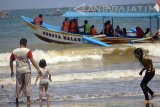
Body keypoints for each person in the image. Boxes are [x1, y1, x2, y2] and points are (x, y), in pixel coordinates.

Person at [10, 38, 41, 104]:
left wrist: (12, 70)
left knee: (18, 85)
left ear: (20, 43)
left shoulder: (14, 51)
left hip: (18, 70)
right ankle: (28, 100)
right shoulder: (28, 51)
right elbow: (32, 60)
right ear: (25, 43)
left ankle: (17, 100)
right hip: (26, 70)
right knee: (27, 85)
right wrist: (38, 69)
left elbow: (11, 61)